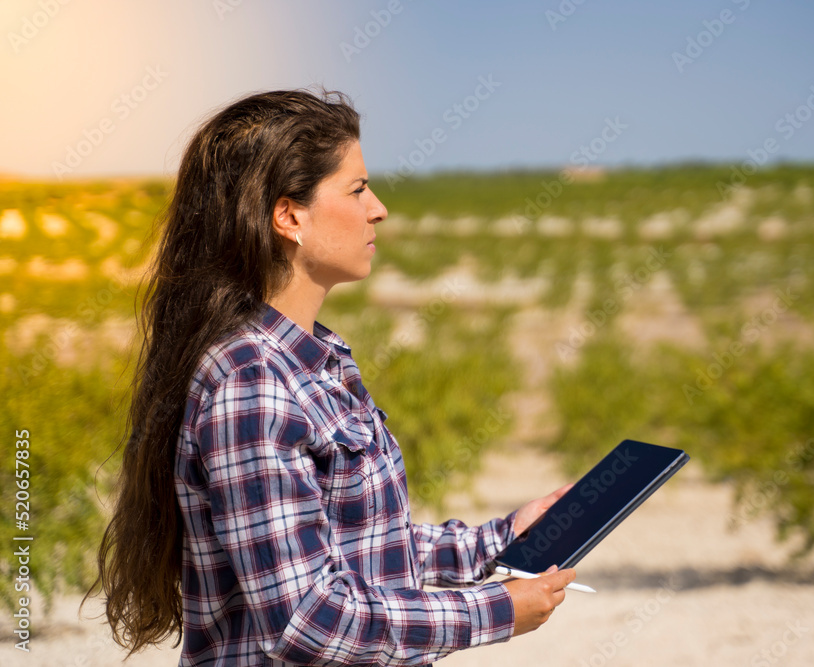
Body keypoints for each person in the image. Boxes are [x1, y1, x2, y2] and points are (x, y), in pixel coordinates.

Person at [86, 88, 577, 666]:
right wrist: (493, 611)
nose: (379, 208)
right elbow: (305, 619)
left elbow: (362, 552)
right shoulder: (254, 383)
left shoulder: (315, 360)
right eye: (358, 188)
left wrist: (501, 540)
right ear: (289, 215)